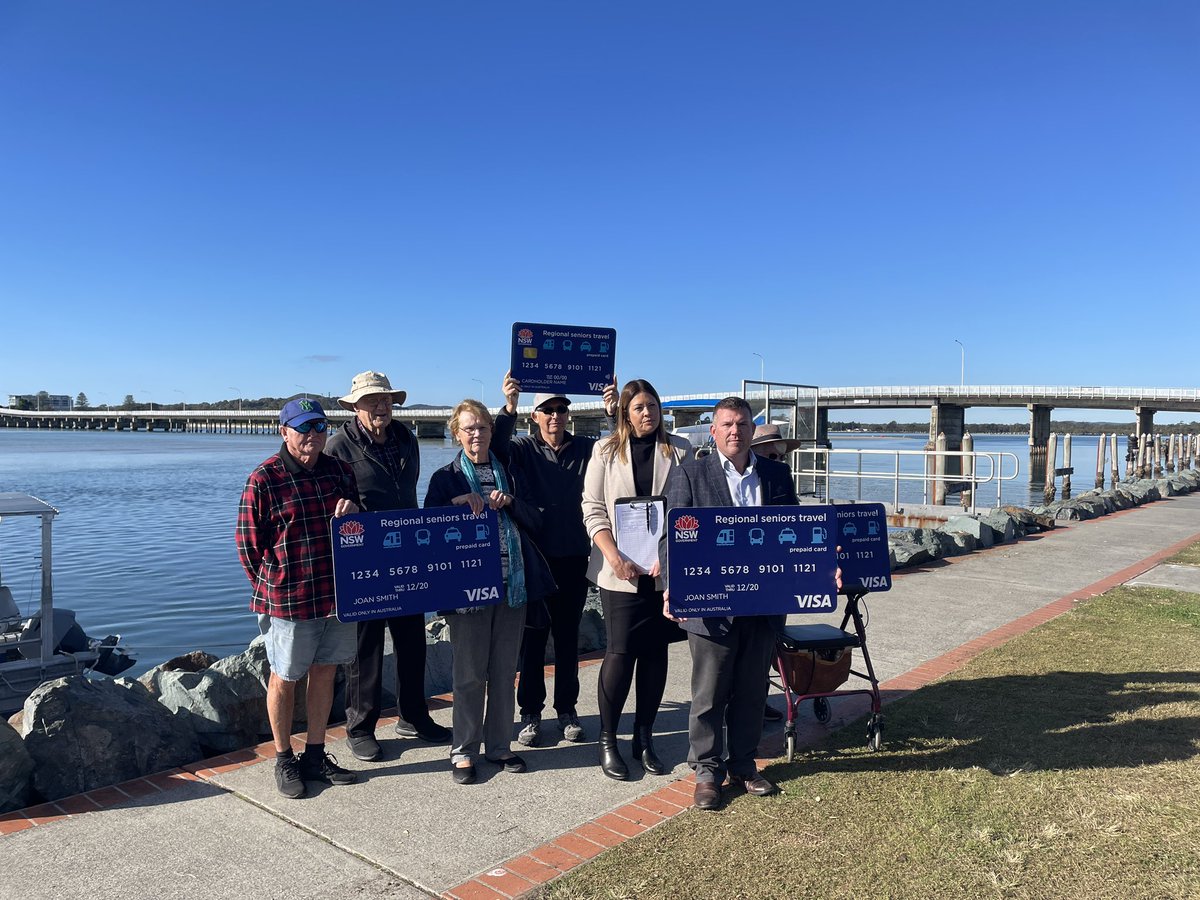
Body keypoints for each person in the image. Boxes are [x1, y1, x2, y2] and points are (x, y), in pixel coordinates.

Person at [661, 396, 838, 811]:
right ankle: (707, 772)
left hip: (764, 603)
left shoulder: (776, 474)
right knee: (709, 694)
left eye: (741, 424)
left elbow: (796, 531)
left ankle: (743, 764)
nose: (734, 431)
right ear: (713, 431)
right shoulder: (689, 473)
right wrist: (672, 585)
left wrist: (824, 567)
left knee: (752, 692)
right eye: (726, 424)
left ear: (752, 429)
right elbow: (671, 537)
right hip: (711, 607)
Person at [424, 399, 556, 784]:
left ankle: (499, 745)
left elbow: (538, 520)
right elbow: (427, 532)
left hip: (512, 584)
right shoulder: (445, 478)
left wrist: (510, 501)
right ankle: (464, 750)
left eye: (482, 427)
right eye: (469, 428)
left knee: (503, 672)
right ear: (456, 434)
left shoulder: (510, 472)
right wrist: (455, 506)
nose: (477, 434)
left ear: (490, 431)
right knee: (468, 675)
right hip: (468, 591)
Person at [236, 398, 361, 799]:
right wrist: (276, 589)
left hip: (338, 595)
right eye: (304, 427)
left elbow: (360, 528)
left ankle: (316, 755)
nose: (313, 435)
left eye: (320, 427)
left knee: (325, 672)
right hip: (290, 602)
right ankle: (284, 758)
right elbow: (248, 547)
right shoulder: (264, 479)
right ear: (284, 431)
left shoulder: (340, 471)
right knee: (285, 677)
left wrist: (355, 511)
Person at [325, 370, 450, 762]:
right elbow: (327, 501)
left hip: (408, 552)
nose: (381, 406)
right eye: (372, 400)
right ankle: (361, 726)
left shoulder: (406, 438)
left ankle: (414, 715)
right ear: (355, 406)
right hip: (363, 557)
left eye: (386, 400)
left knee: (413, 640)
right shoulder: (337, 446)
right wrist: (344, 509)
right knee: (366, 647)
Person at [492, 373, 617, 748]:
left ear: (568, 414)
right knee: (532, 640)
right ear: (535, 416)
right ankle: (530, 713)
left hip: (574, 557)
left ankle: (567, 710)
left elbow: (618, 451)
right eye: (547, 410)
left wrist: (613, 413)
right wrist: (509, 406)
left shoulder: (587, 449)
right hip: (534, 559)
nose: (555, 416)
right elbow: (495, 449)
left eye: (561, 409)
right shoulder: (522, 449)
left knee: (567, 639)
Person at [582, 379, 692, 780]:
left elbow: (687, 510)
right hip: (620, 572)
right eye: (639, 408)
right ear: (626, 414)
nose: (648, 413)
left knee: (656, 653)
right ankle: (608, 739)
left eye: (653, 406)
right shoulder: (604, 450)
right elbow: (592, 508)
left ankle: (644, 737)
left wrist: (671, 553)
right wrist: (613, 555)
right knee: (620, 652)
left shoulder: (681, 450)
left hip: (663, 573)